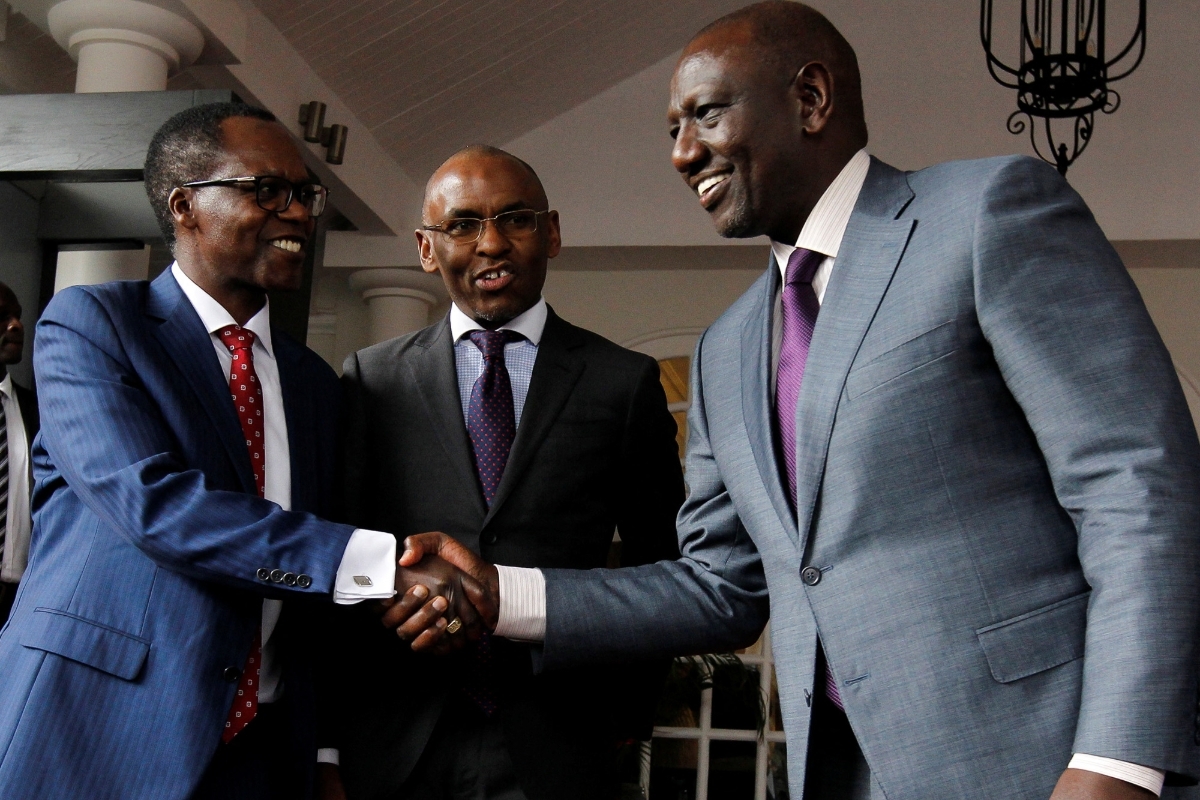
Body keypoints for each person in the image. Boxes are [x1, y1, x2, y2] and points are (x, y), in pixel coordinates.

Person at [398, 4, 1200, 800]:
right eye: (672, 129)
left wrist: (1118, 759)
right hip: (838, 770)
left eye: (705, 114)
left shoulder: (986, 213)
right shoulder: (726, 347)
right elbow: (723, 584)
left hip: (1041, 757)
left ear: (810, 99)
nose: (682, 153)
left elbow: (1134, 488)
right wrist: (503, 592)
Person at [0, 102, 473, 800]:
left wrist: (325, 745)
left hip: (265, 749)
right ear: (185, 205)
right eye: (267, 191)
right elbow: (155, 506)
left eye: (305, 195)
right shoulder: (93, 325)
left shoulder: (315, 383)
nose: (299, 214)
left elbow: (307, 588)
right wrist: (379, 566)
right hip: (98, 730)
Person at [316, 145, 684, 800]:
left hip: (561, 740)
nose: (491, 244)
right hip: (396, 737)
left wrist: (625, 712)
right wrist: (329, 734)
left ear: (552, 232)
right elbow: (339, 552)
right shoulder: (372, 379)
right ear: (428, 250)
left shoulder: (622, 383)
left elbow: (663, 562)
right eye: (462, 225)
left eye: (515, 218)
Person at [0, 281, 37, 622]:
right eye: (2, 317)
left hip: (20, 598)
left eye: (17, 316)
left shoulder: (40, 412)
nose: (16, 326)